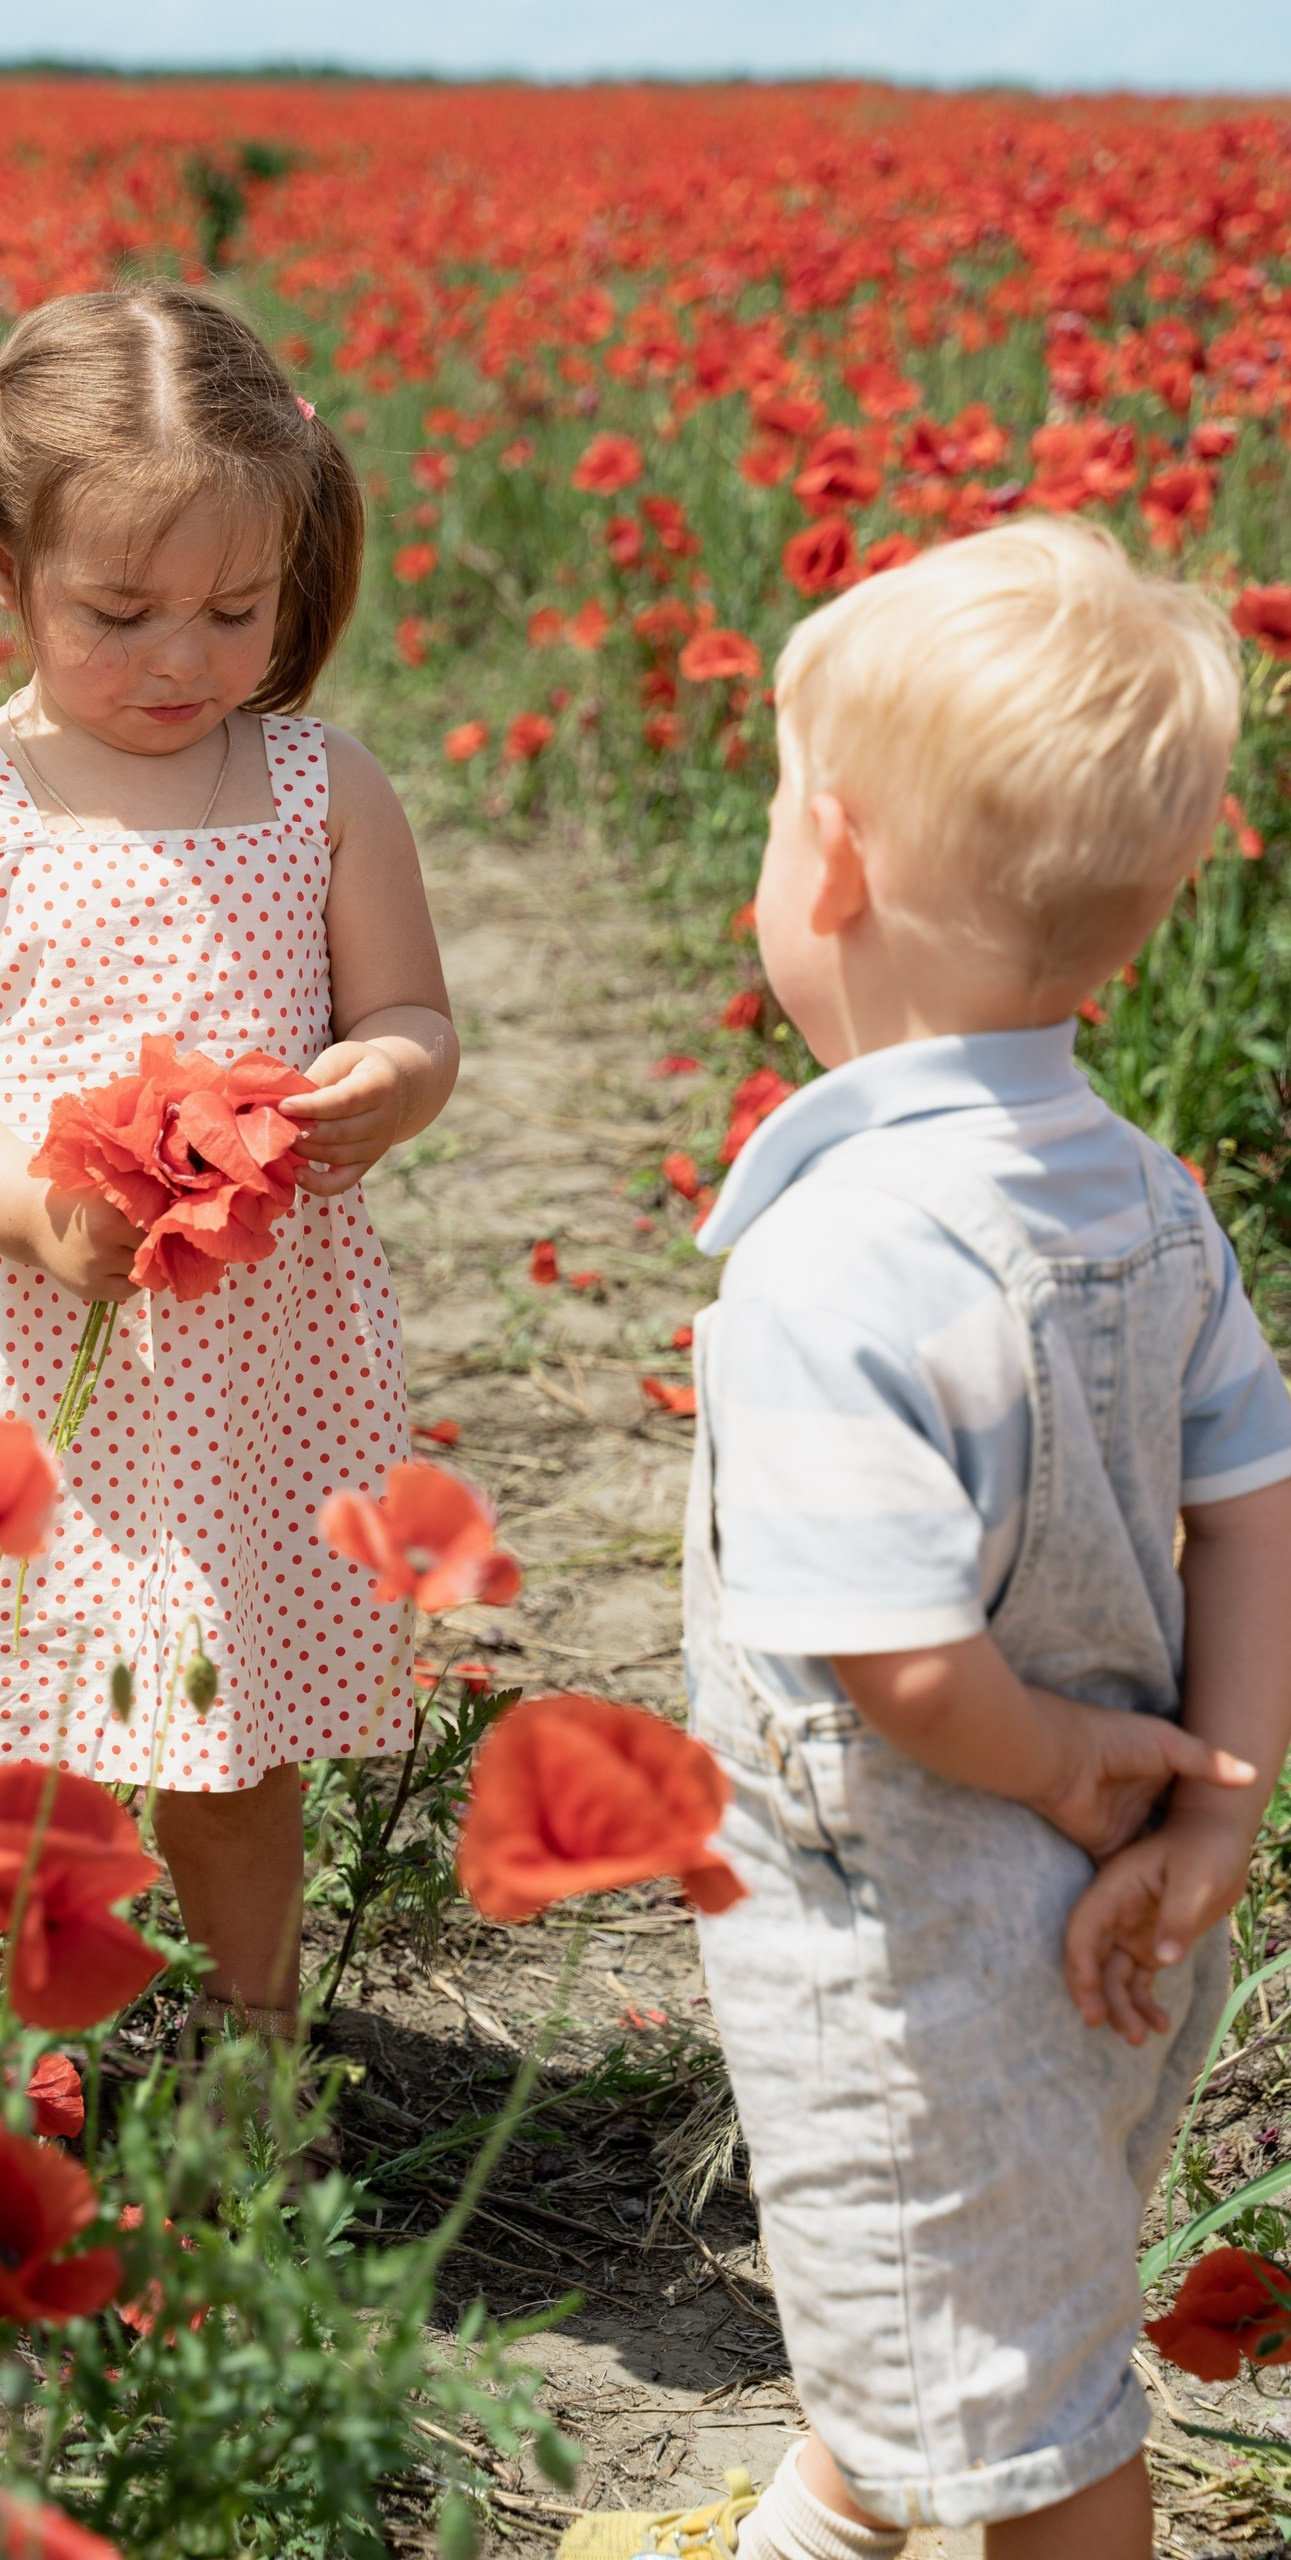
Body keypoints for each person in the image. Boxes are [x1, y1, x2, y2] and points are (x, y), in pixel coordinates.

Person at [681, 520, 1291, 2559]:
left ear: (831, 859)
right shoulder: (1150, 1199)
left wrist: (1044, 1752)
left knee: (1037, 2430)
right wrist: (1209, 1804)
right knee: (978, 2327)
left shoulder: (829, 1260)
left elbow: (893, 1655)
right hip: (1125, 1920)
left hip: (918, 1943)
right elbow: (1252, 1508)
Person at [0, 283, 456, 2071]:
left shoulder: (324, 787)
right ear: (2, 567)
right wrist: (26, 1204)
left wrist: (375, 1083)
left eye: (236, 608)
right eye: (122, 612)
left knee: (232, 1737)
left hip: (246, 1362)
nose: (185, 657)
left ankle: (253, 2049)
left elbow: (409, 1011)